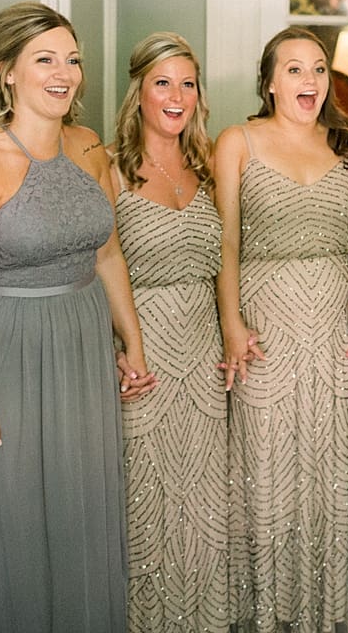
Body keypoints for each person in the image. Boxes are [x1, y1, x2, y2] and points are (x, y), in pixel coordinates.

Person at [0, 1, 150, 631]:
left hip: (82, 343)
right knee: (17, 511)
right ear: (6, 73)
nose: (64, 73)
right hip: (8, 352)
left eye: (72, 59)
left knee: (83, 505)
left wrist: (130, 342)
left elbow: (107, 253)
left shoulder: (87, 148)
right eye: (44, 59)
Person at [214, 27, 348, 633]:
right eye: (295, 69)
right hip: (265, 323)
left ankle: (326, 615)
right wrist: (230, 323)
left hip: (331, 325)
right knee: (265, 467)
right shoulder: (238, 141)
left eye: (319, 69)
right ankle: (264, 616)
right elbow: (224, 240)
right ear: (270, 81)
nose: (310, 81)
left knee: (330, 471)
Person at [110, 32, 229, 632]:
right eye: (163, 82)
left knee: (205, 500)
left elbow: (226, 263)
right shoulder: (108, 170)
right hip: (142, 357)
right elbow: (95, 269)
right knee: (146, 501)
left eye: (188, 82)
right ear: (139, 93)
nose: (177, 95)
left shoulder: (209, 168)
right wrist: (115, 353)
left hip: (204, 354)